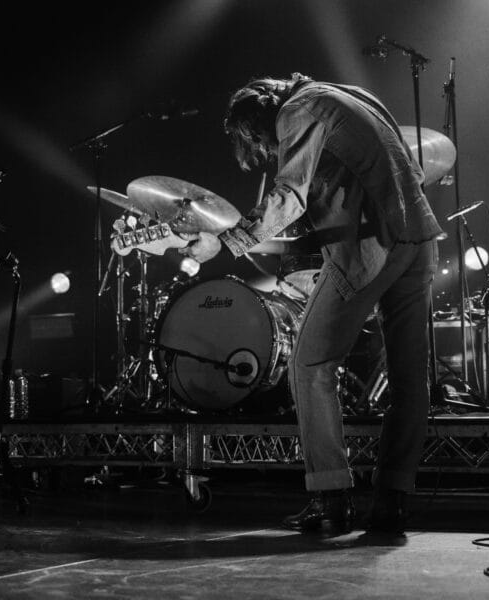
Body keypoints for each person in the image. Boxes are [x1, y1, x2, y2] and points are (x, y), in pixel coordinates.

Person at [185, 73, 442, 535]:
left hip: (371, 245)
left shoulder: (297, 111)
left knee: (310, 364)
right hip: (419, 239)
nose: (266, 147)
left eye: (259, 140)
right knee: (409, 379)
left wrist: (227, 243)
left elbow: (289, 194)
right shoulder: (349, 94)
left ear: (260, 119)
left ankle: (331, 498)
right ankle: (392, 503)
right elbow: (402, 170)